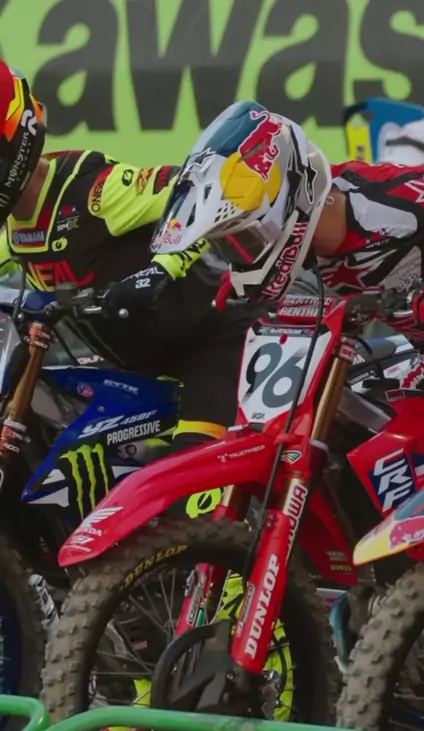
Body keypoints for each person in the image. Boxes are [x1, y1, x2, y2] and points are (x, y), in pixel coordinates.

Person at [151, 79, 424, 467]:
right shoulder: (305, 242)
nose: (241, 256)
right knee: (359, 431)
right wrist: (234, 283)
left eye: (244, 239)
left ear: (284, 208)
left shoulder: (393, 201)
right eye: (229, 246)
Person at [0, 60, 258, 461]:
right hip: (137, 372)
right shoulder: (12, 229)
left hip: (211, 345)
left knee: (187, 481)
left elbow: (205, 193)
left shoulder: (96, 191)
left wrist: (160, 270)